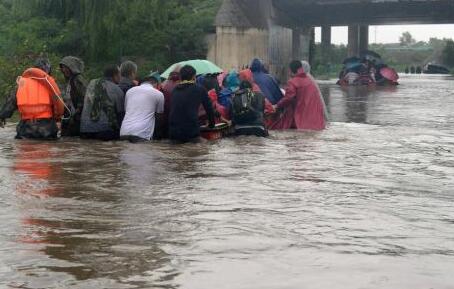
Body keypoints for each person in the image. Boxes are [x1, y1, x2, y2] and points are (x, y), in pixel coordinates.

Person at [0, 58, 64, 139]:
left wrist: (2, 117)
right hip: (47, 129)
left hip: (25, 129)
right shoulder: (51, 84)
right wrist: (59, 120)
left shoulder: (21, 84)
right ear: (48, 70)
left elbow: (9, 105)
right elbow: (59, 104)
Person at [273, 60, 326, 131]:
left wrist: (277, 106)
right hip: (317, 121)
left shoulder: (293, 82)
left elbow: (288, 98)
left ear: (291, 70)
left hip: (302, 121)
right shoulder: (310, 81)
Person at [169, 65, 215, 143]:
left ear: (180, 77)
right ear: (194, 76)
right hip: (191, 132)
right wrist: (211, 125)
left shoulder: (174, 90)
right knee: (210, 145)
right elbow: (209, 109)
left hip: (173, 133)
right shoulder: (200, 89)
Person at [80, 65, 125, 141]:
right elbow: (121, 114)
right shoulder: (117, 90)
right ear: (115, 75)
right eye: (119, 74)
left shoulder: (91, 83)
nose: (120, 77)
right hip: (104, 132)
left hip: (85, 130)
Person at [120, 72, 164, 143]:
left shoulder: (129, 91)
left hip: (124, 132)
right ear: (155, 84)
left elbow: (126, 111)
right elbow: (159, 117)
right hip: (142, 134)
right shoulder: (159, 94)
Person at [59, 56, 87, 137]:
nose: (64, 70)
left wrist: (77, 112)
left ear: (72, 67)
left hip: (76, 117)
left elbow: (84, 97)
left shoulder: (78, 80)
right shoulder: (69, 80)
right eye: (63, 68)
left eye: (66, 67)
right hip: (69, 116)